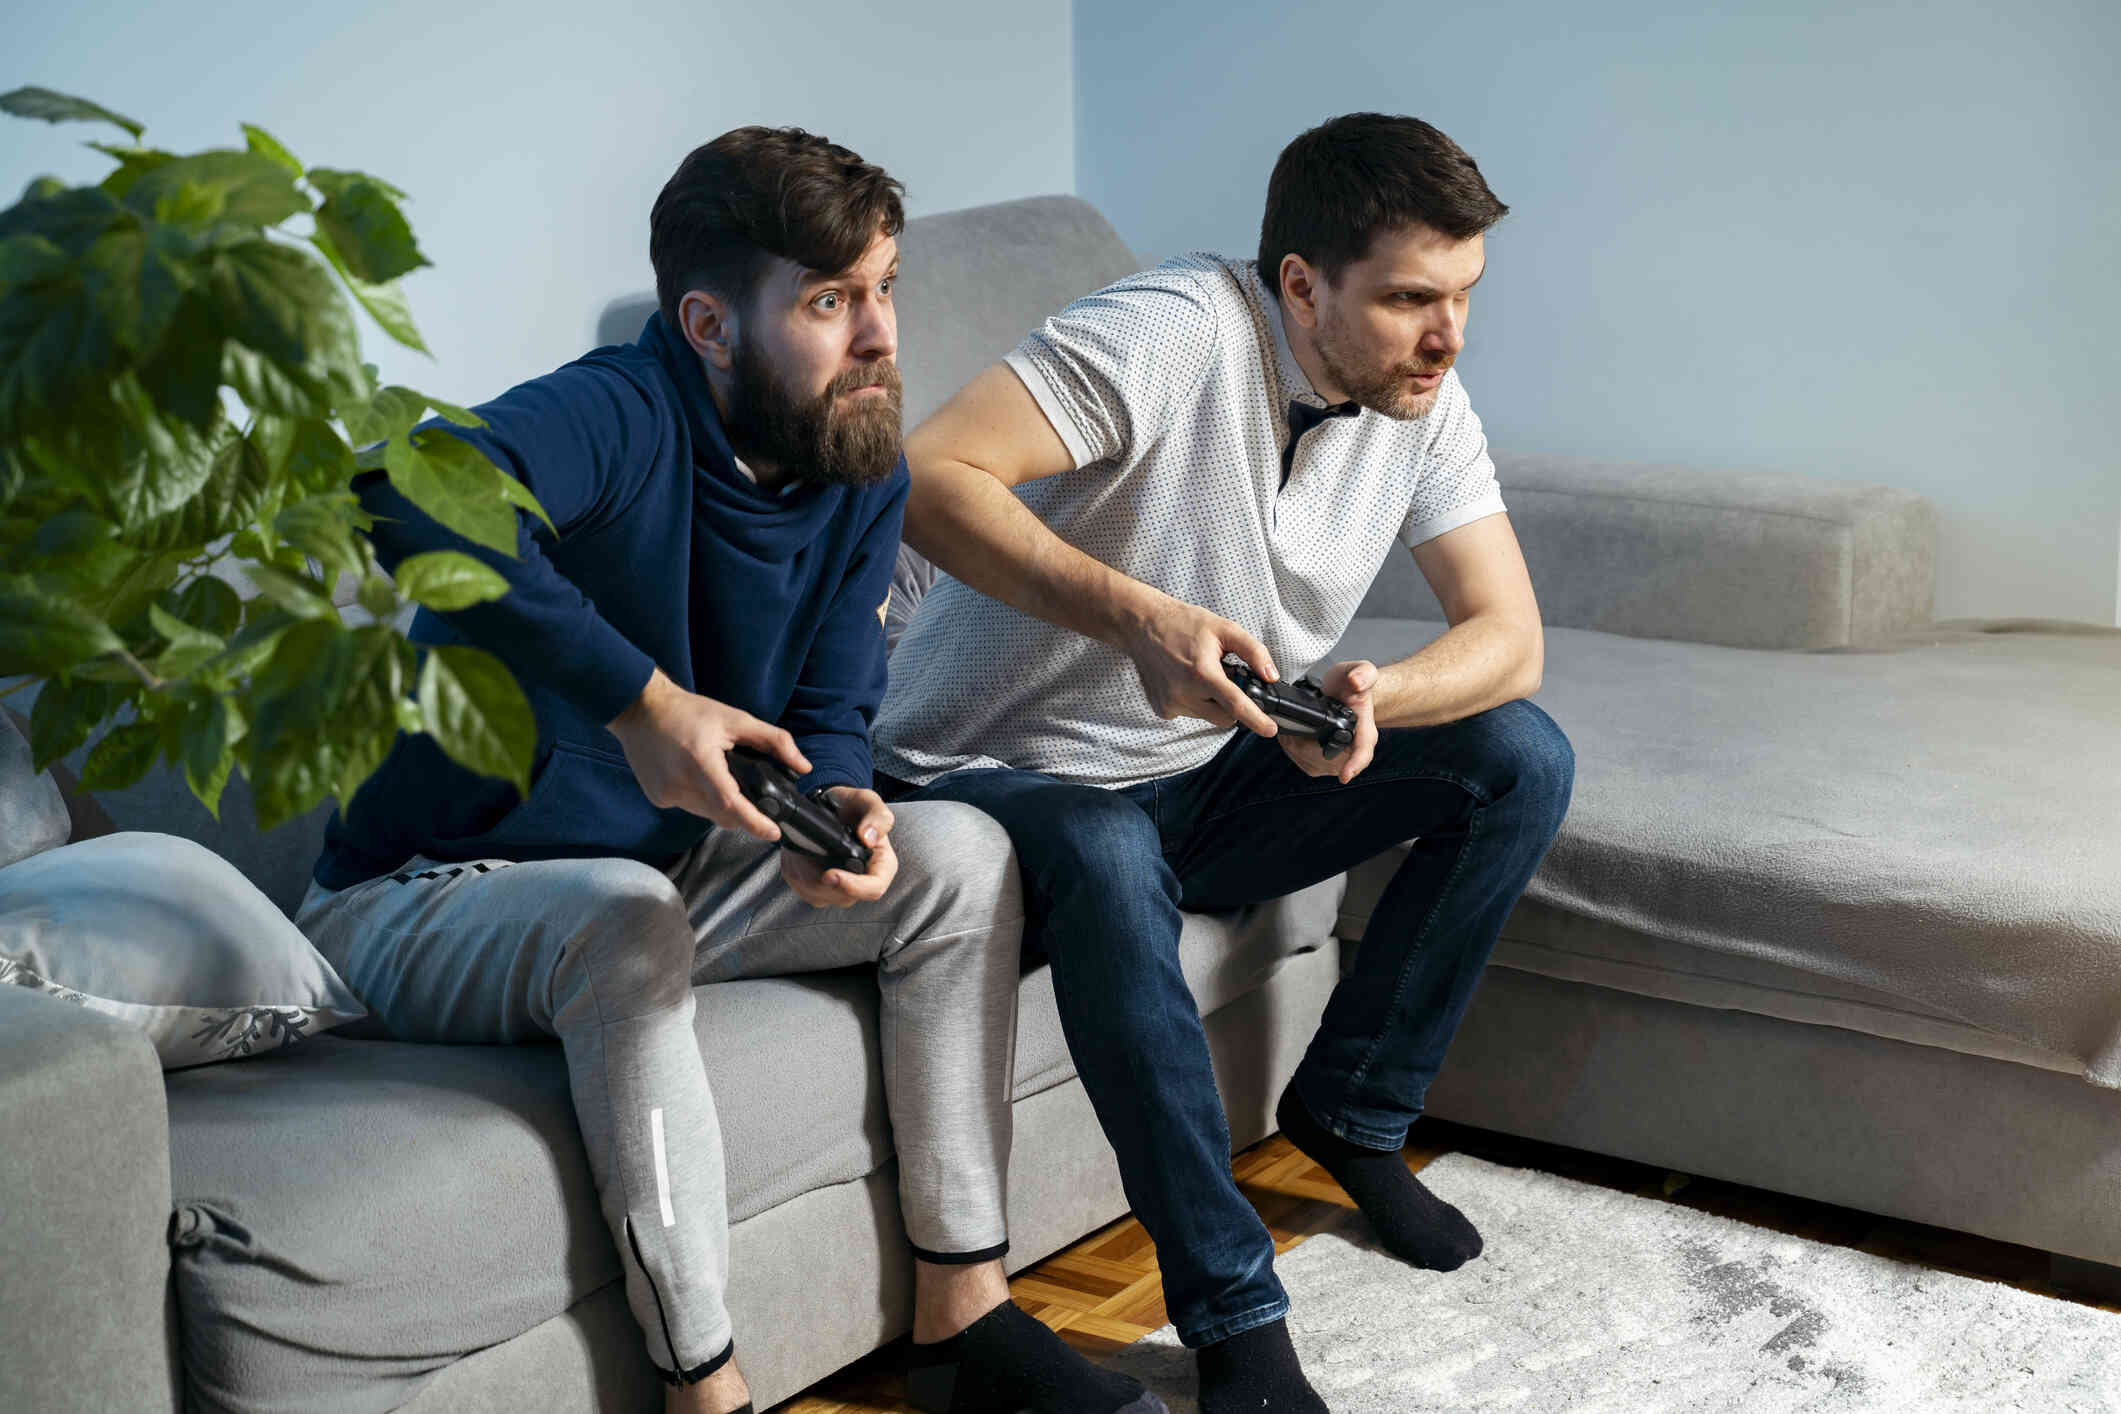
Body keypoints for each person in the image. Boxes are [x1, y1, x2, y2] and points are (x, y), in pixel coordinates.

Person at [297, 127, 1162, 1414]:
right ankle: (706, 1387)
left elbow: (830, 704)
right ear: (707, 322)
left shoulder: (856, 458)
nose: (877, 336)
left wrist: (846, 805)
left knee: (960, 854)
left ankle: (958, 1312)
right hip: (421, 899)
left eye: (883, 290)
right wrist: (641, 701)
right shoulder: (621, 410)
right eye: (828, 302)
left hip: (679, 866)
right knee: (623, 917)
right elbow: (400, 489)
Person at [874, 112, 1576, 1414]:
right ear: (1300, 283)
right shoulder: (1169, 328)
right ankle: (1236, 1322)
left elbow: (1509, 639)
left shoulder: (1417, 396)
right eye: (1412, 298)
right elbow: (931, 475)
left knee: (1515, 755)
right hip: (975, 775)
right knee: (1099, 838)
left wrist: (1380, 689)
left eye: (1464, 295)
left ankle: (1357, 1111)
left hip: (1198, 766)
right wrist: (1138, 617)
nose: (1449, 334)